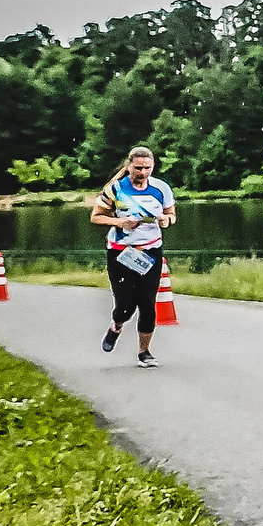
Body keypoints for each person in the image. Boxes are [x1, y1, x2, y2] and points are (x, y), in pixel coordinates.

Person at [90, 143, 177, 367]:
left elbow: (171, 214)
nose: (143, 173)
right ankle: (116, 325)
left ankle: (144, 352)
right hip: (121, 252)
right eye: (138, 168)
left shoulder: (161, 188)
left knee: (148, 302)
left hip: (150, 250)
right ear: (129, 166)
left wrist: (167, 220)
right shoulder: (116, 189)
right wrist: (120, 222)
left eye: (147, 168)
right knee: (126, 303)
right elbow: (96, 217)